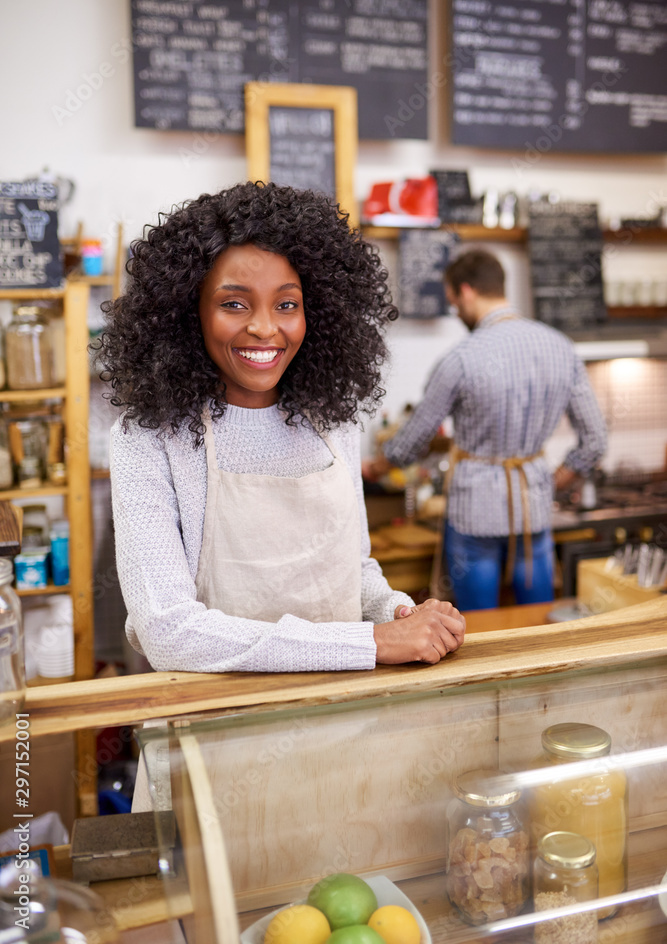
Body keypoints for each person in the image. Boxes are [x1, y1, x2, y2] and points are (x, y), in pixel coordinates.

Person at [98, 182, 465, 672]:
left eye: (287, 304)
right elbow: (168, 632)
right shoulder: (147, 438)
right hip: (215, 731)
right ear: (189, 312)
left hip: (340, 718)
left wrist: (398, 611)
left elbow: (352, 572)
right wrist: (373, 643)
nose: (266, 328)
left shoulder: (333, 420)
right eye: (234, 304)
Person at [364, 249, 607, 611]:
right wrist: (549, 481)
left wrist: (376, 468)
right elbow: (595, 441)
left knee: (477, 628)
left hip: (474, 509)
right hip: (533, 507)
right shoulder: (561, 348)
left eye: (453, 303)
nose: (457, 313)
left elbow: (414, 438)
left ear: (466, 291)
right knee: (540, 624)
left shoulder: (461, 359)